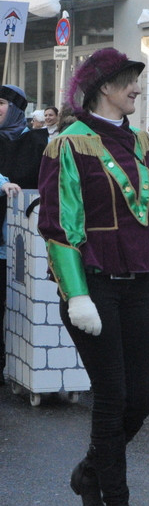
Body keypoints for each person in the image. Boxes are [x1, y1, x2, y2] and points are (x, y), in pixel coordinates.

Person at [37, 47, 149, 506]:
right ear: (102, 89)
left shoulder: (143, 143)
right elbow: (58, 227)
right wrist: (76, 295)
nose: (137, 88)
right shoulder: (68, 144)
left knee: (145, 396)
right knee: (112, 397)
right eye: (128, 81)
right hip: (93, 286)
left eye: (137, 80)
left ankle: (90, 471)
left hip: (138, 283)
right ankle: (118, 505)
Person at [0, 85, 48, 385]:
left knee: (22, 308)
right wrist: (2, 183)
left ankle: (22, 366)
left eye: (1, 103)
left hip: (27, 242)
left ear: (17, 109)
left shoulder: (37, 141)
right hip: (1, 244)